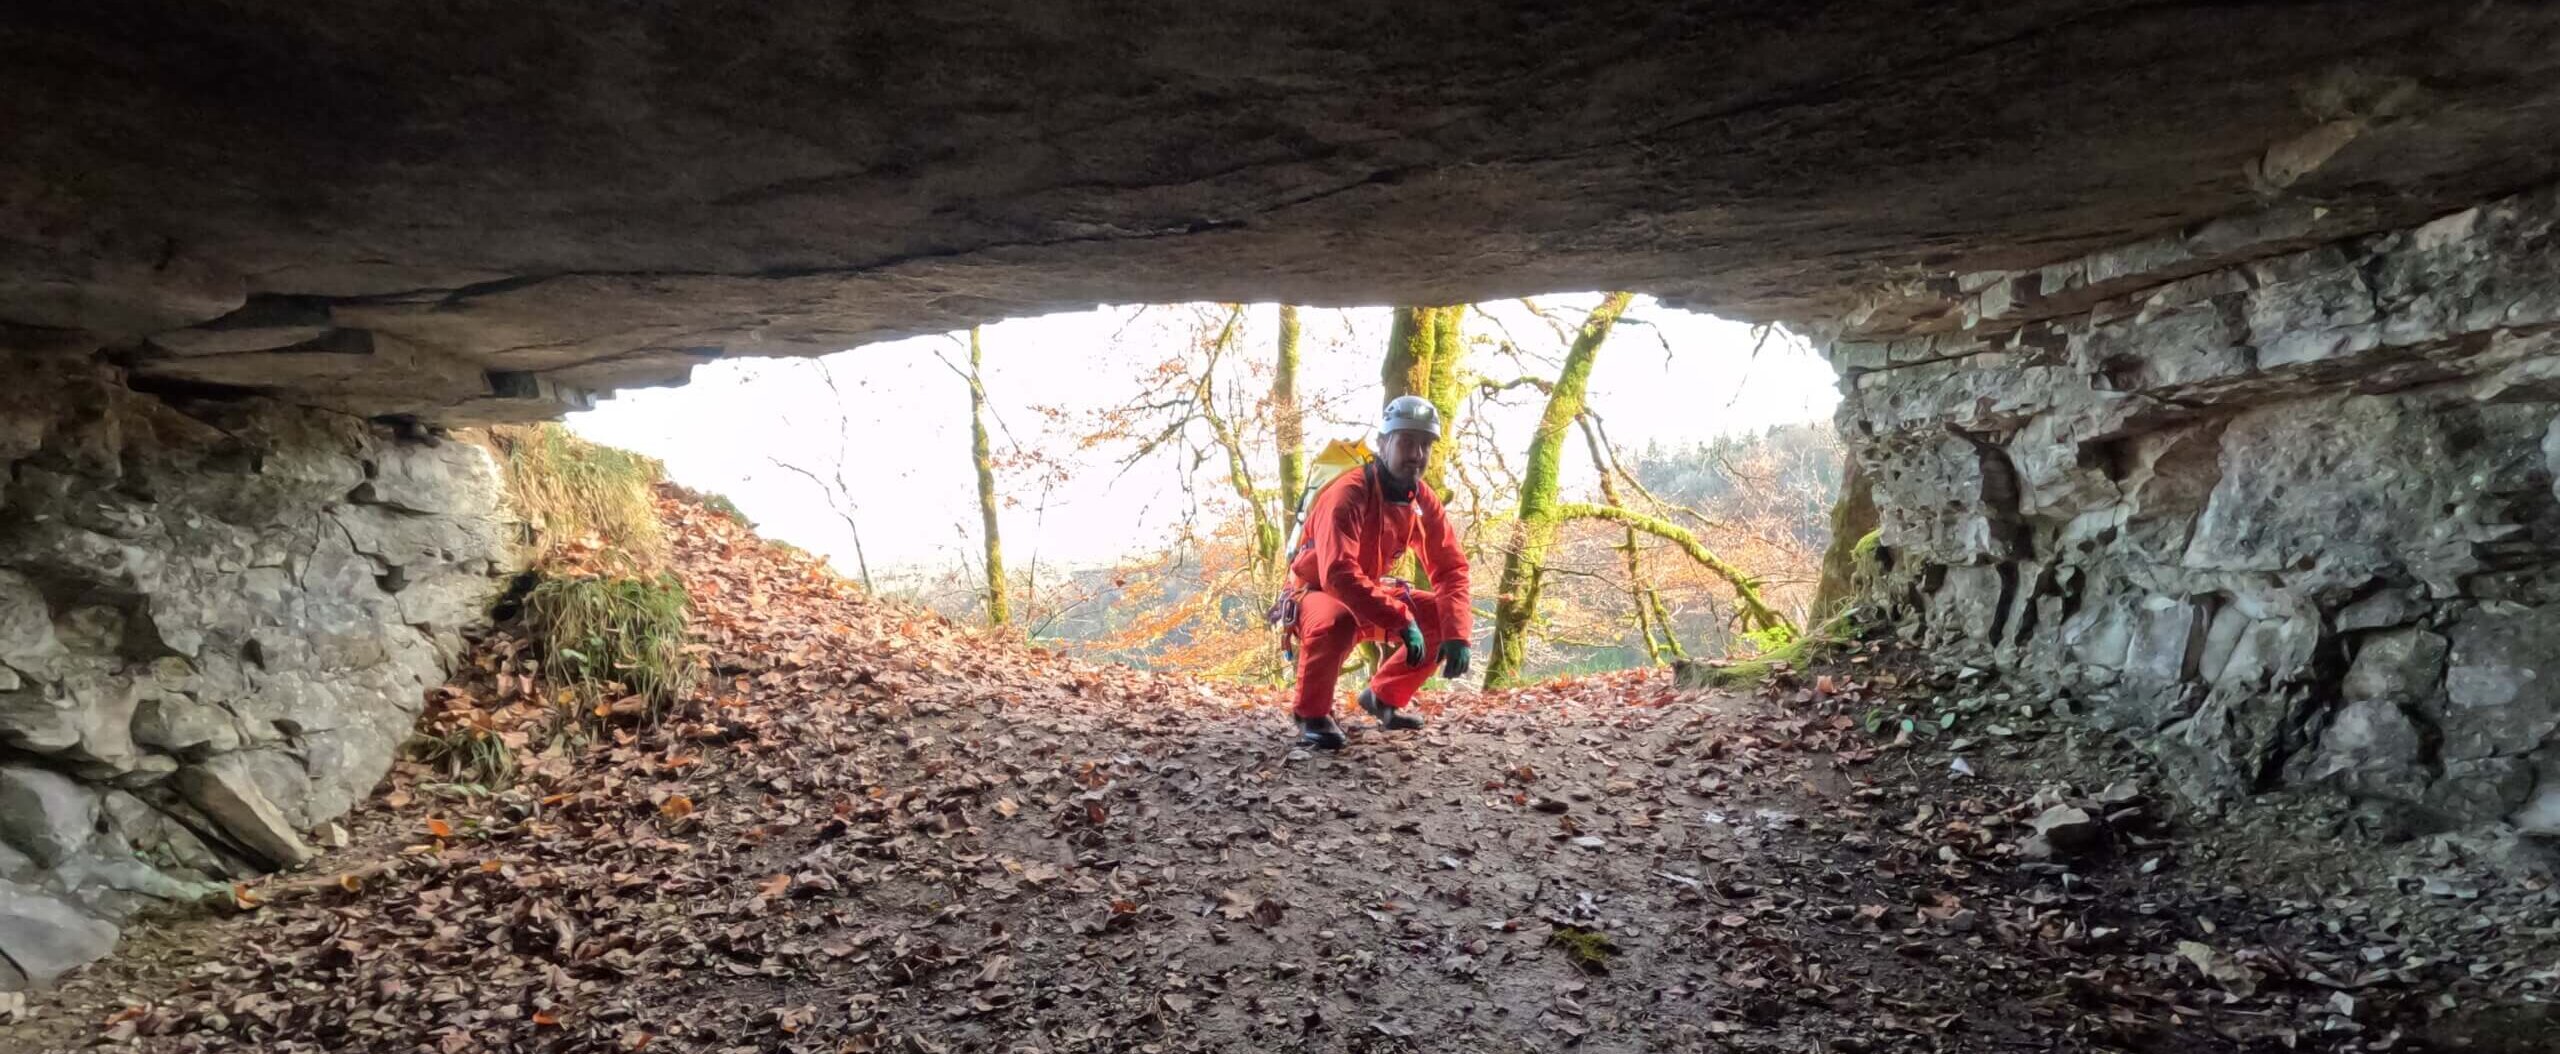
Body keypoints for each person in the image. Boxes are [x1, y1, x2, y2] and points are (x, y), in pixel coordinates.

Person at [1285, 395, 1472, 750]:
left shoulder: (1421, 499)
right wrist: (1400, 619)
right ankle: (1311, 715)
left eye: (1424, 445)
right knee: (1336, 620)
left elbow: (1450, 567)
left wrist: (1457, 632)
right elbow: (1338, 574)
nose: (1416, 454)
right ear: (1383, 443)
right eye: (1406, 442)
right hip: (1317, 590)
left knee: (1437, 616)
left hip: (1367, 588)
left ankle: (1384, 697)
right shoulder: (1348, 494)